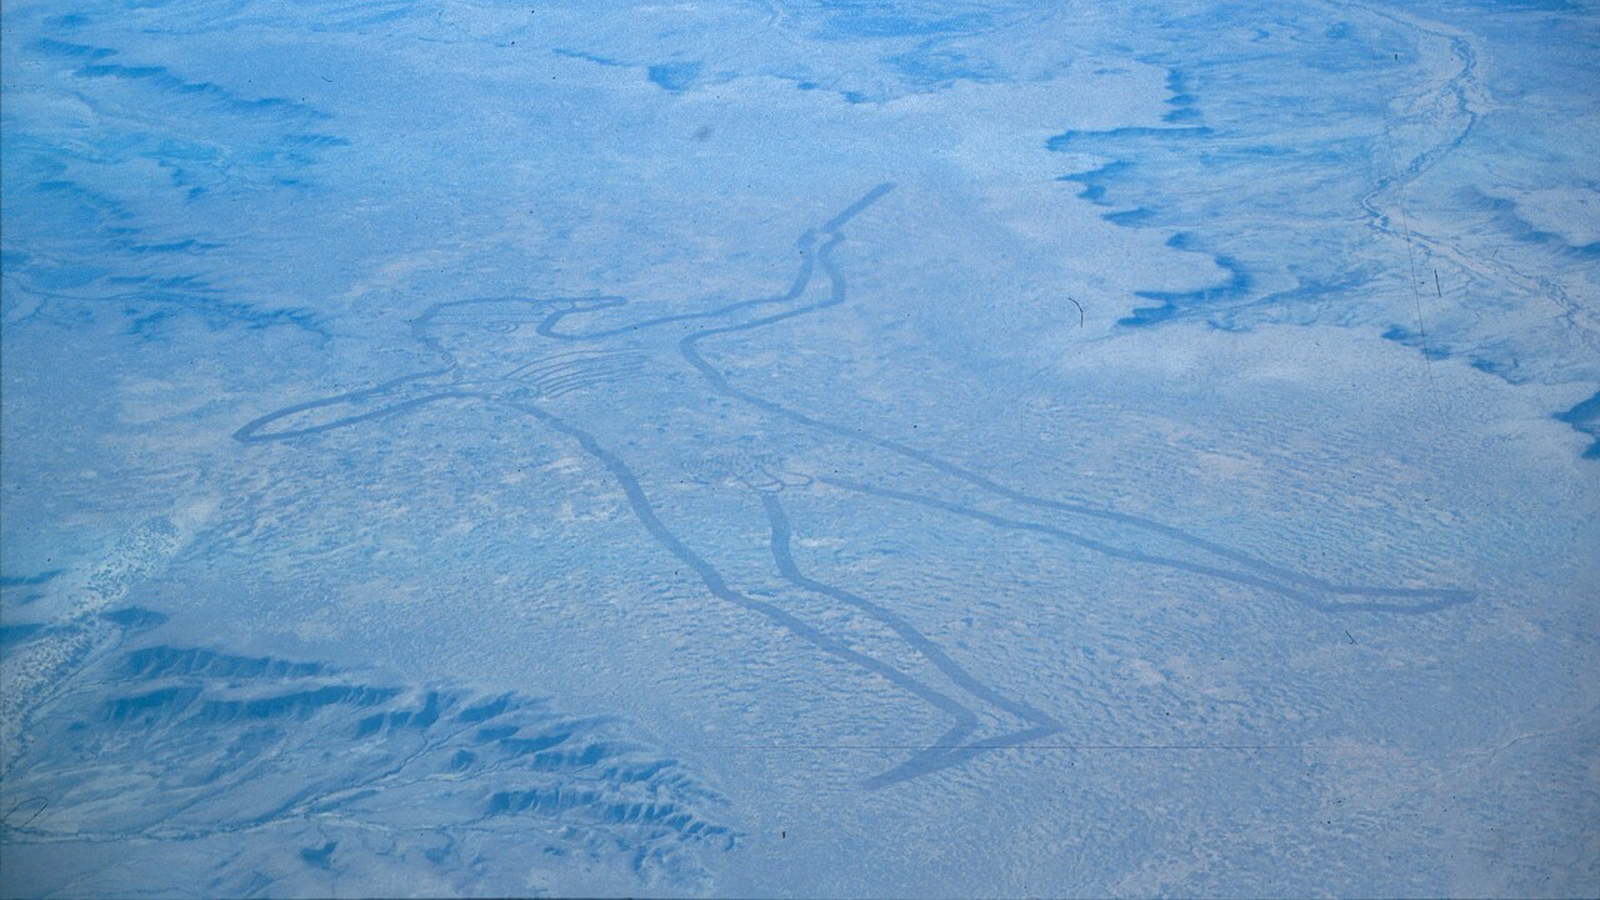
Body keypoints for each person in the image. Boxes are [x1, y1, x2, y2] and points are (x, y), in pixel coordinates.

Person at [236, 184, 1470, 787]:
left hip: (721, 478)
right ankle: (1305, 598)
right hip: (759, 462)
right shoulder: (544, 361)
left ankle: (1293, 598)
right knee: (990, 526)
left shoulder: (509, 374)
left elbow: (786, 294)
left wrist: (832, 236)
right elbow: (787, 296)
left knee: (845, 570)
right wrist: (823, 244)